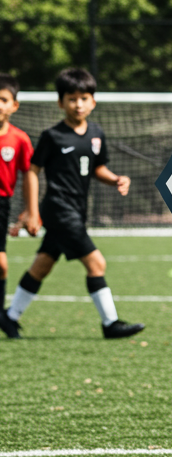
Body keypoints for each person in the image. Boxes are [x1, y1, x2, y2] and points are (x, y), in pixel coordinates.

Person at [0, 66, 145, 341]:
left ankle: (9, 316)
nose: (78, 104)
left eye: (83, 98)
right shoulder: (52, 136)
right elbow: (32, 170)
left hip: (78, 210)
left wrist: (116, 180)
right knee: (96, 264)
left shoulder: (96, 134)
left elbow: (97, 168)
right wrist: (32, 212)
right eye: (71, 98)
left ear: (93, 100)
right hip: (58, 209)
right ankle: (110, 323)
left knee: (42, 265)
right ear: (60, 102)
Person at [0, 75, 40, 312]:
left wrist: (30, 211)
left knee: (2, 266)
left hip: (3, 204)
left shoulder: (20, 139)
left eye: (3, 99)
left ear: (14, 105)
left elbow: (30, 176)